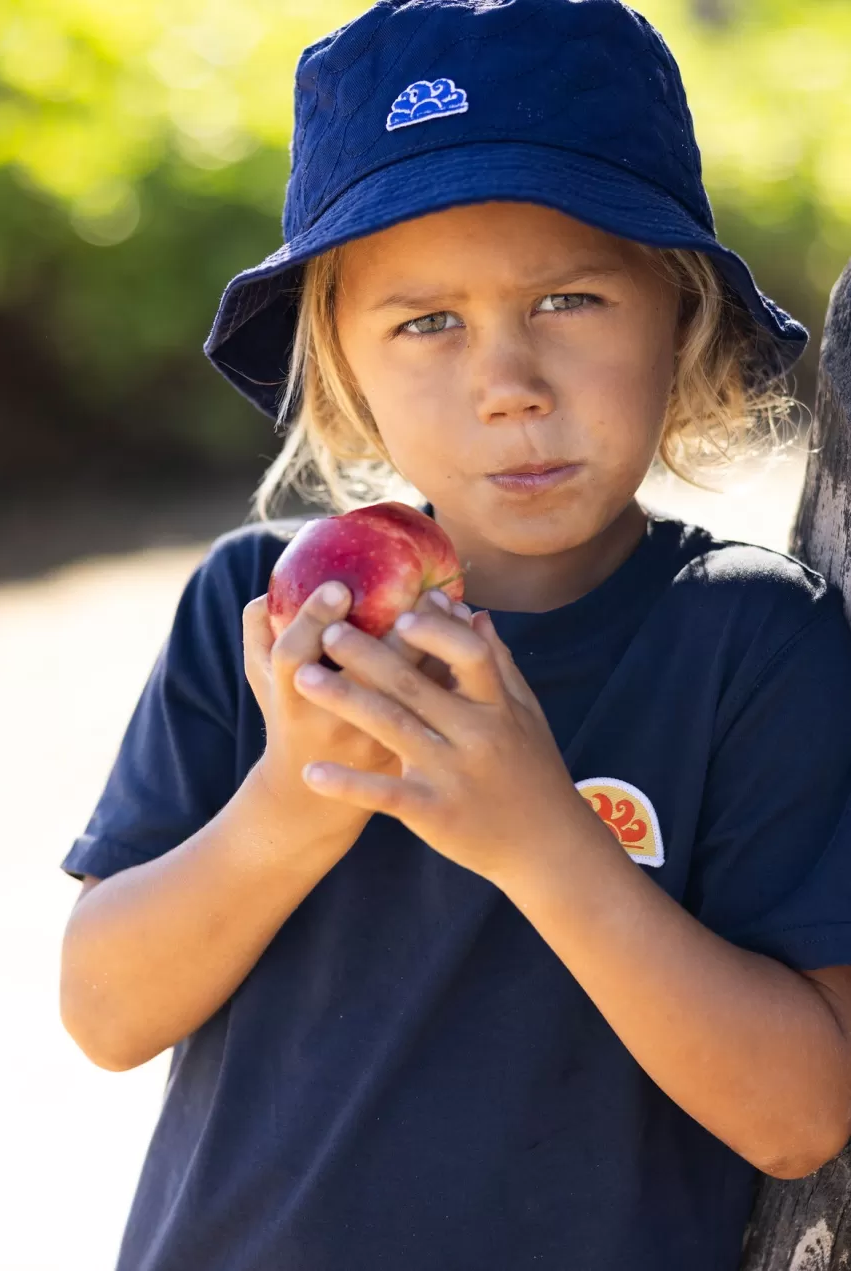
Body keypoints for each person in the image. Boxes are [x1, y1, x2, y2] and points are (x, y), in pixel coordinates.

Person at [58, 3, 851, 1268]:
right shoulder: (259, 616)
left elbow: (801, 1115)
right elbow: (104, 1012)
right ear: (341, 364)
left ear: (679, 310)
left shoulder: (748, 642)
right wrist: (293, 797)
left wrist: (542, 838)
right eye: (425, 321)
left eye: (570, 298)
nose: (509, 381)